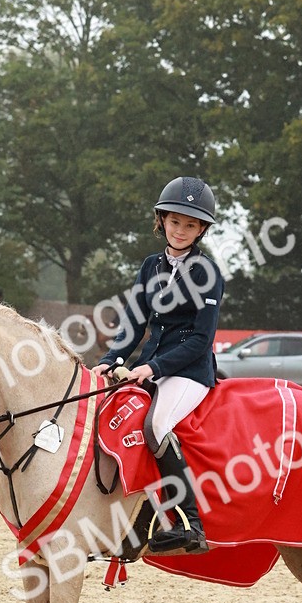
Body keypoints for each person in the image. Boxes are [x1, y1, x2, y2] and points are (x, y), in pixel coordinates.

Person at [93, 176, 224, 554]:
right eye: (175, 221)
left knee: (154, 425)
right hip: (154, 365)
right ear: (162, 220)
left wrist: (152, 369)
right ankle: (138, 529)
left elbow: (201, 339)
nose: (180, 230)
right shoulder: (151, 266)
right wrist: (110, 359)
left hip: (190, 371)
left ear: (200, 230)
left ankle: (191, 524)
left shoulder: (206, 273)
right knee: (125, 423)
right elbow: (134, 322)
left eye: (190, 225)